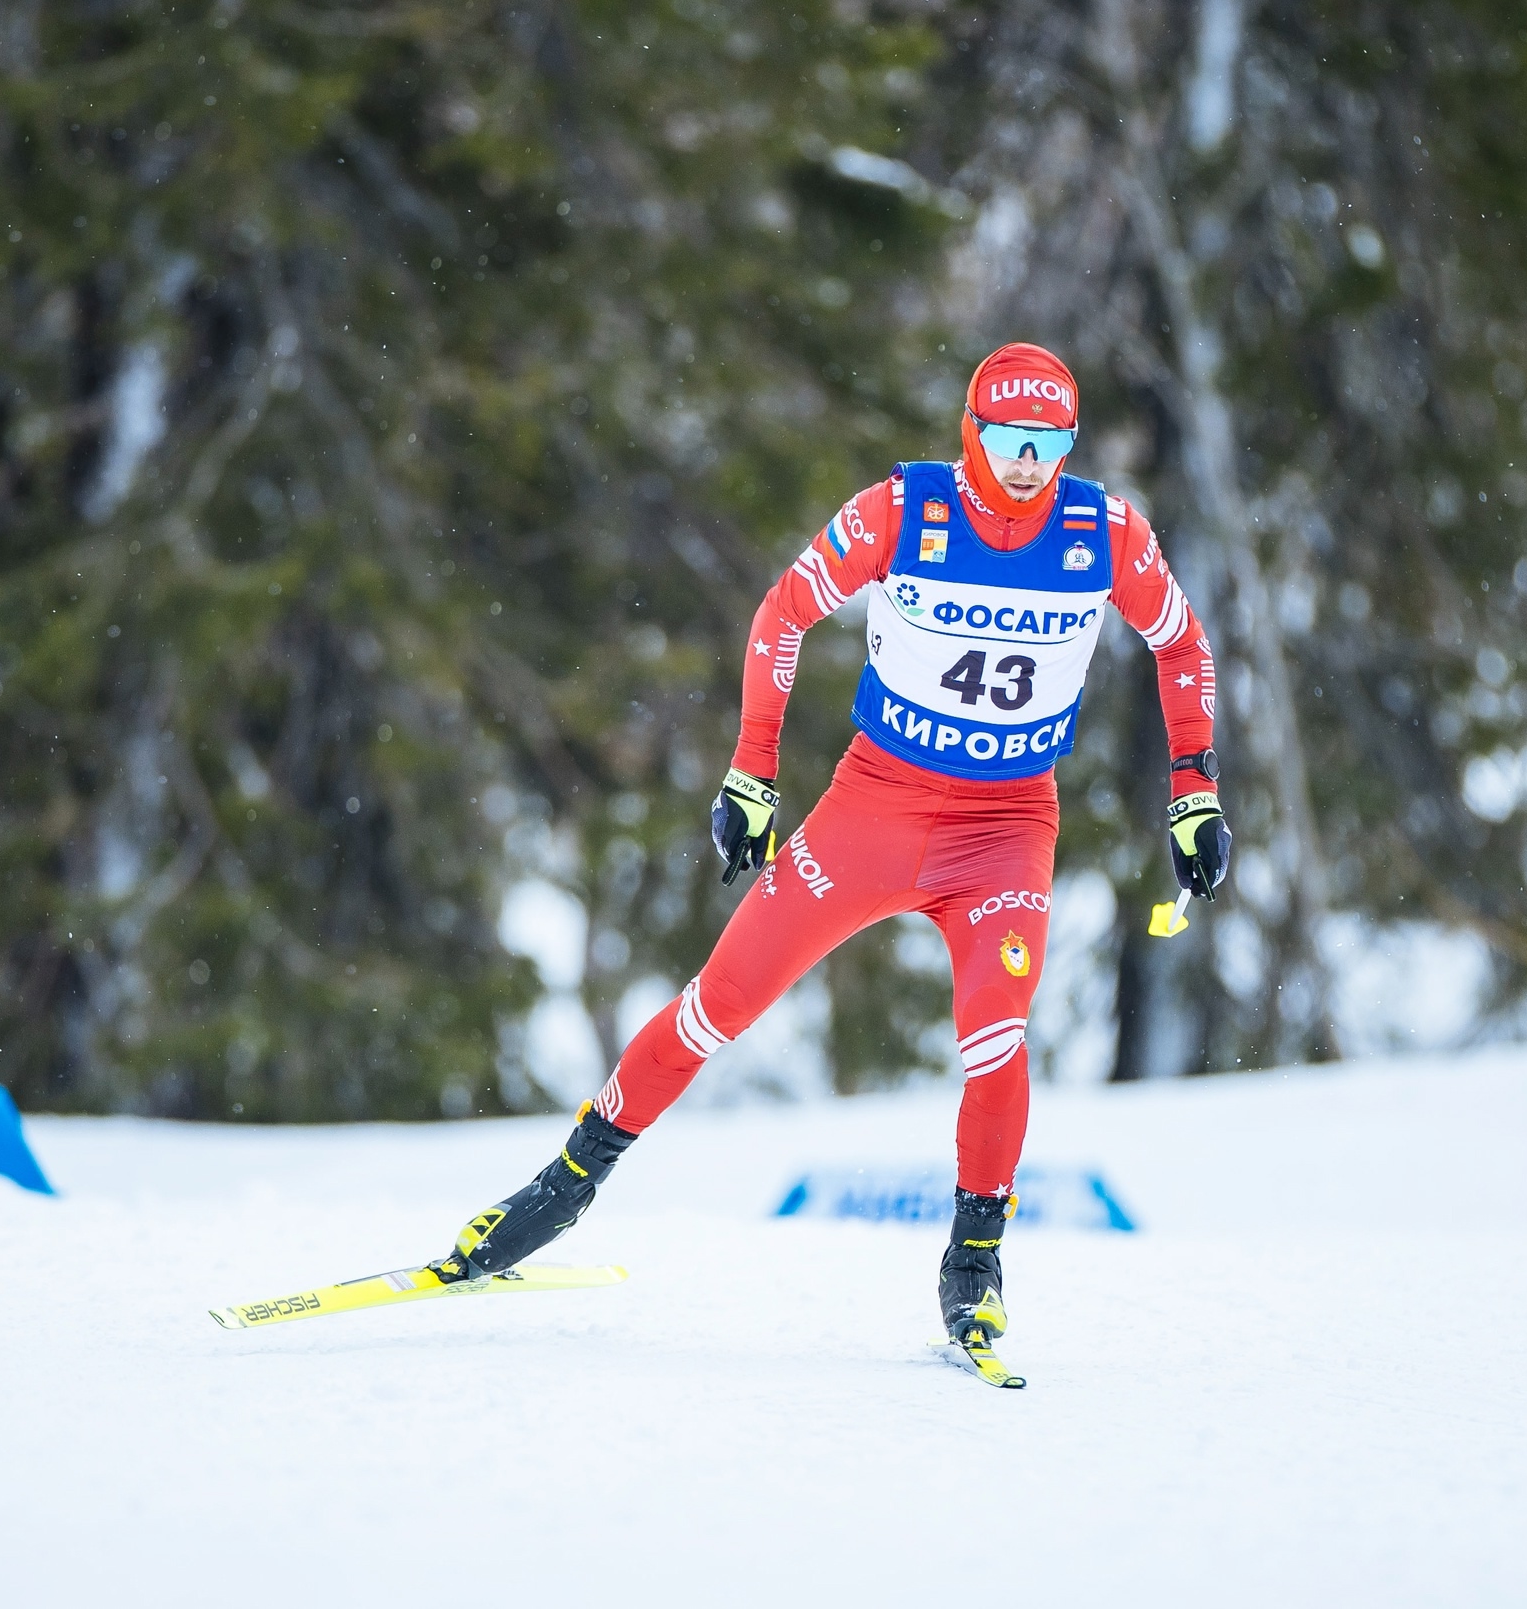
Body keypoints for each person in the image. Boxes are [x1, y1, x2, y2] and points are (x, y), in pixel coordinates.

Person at [428, 343, 1231, 1361]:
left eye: (1049, 443)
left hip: (1003, 831)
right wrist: (751, 774)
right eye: (1007, 439)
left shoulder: (1103, 531)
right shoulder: (906, 511)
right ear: (969, 434)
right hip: (874, 813)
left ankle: (973, 1265)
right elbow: (783, 614)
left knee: (996, 1035)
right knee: (717, 1007)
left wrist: (1193, 791)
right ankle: (557, 1190)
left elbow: (1182, 643)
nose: (1028, 463)